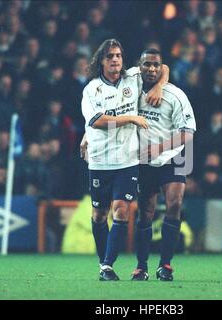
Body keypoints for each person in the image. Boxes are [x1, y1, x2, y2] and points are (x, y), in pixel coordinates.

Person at [81, 39, 169, 281]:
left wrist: (160, 86)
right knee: (100, 214)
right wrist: (130, 118)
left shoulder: (133, 77)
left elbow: (163, 68)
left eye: (118, 55)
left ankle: (107, 266)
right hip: (100, 160)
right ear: (101, 61)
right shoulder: (92, 90)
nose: (115, 60)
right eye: (110, 56)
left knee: (122, 211)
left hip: (127, 159)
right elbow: (97, 121)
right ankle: (104, 262)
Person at [131, 48, 196, 281]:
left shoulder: (176, 95)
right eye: (146, 64)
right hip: (143, 159)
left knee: (175, 204)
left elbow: (188, 134)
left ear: (161, 67)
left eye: (156, 65)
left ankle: (165, 265)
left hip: (175, 155)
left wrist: (159, 148)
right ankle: (141, 266)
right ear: (139, 66)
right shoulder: (130, 88)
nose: (151, 69)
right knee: (145, 213)